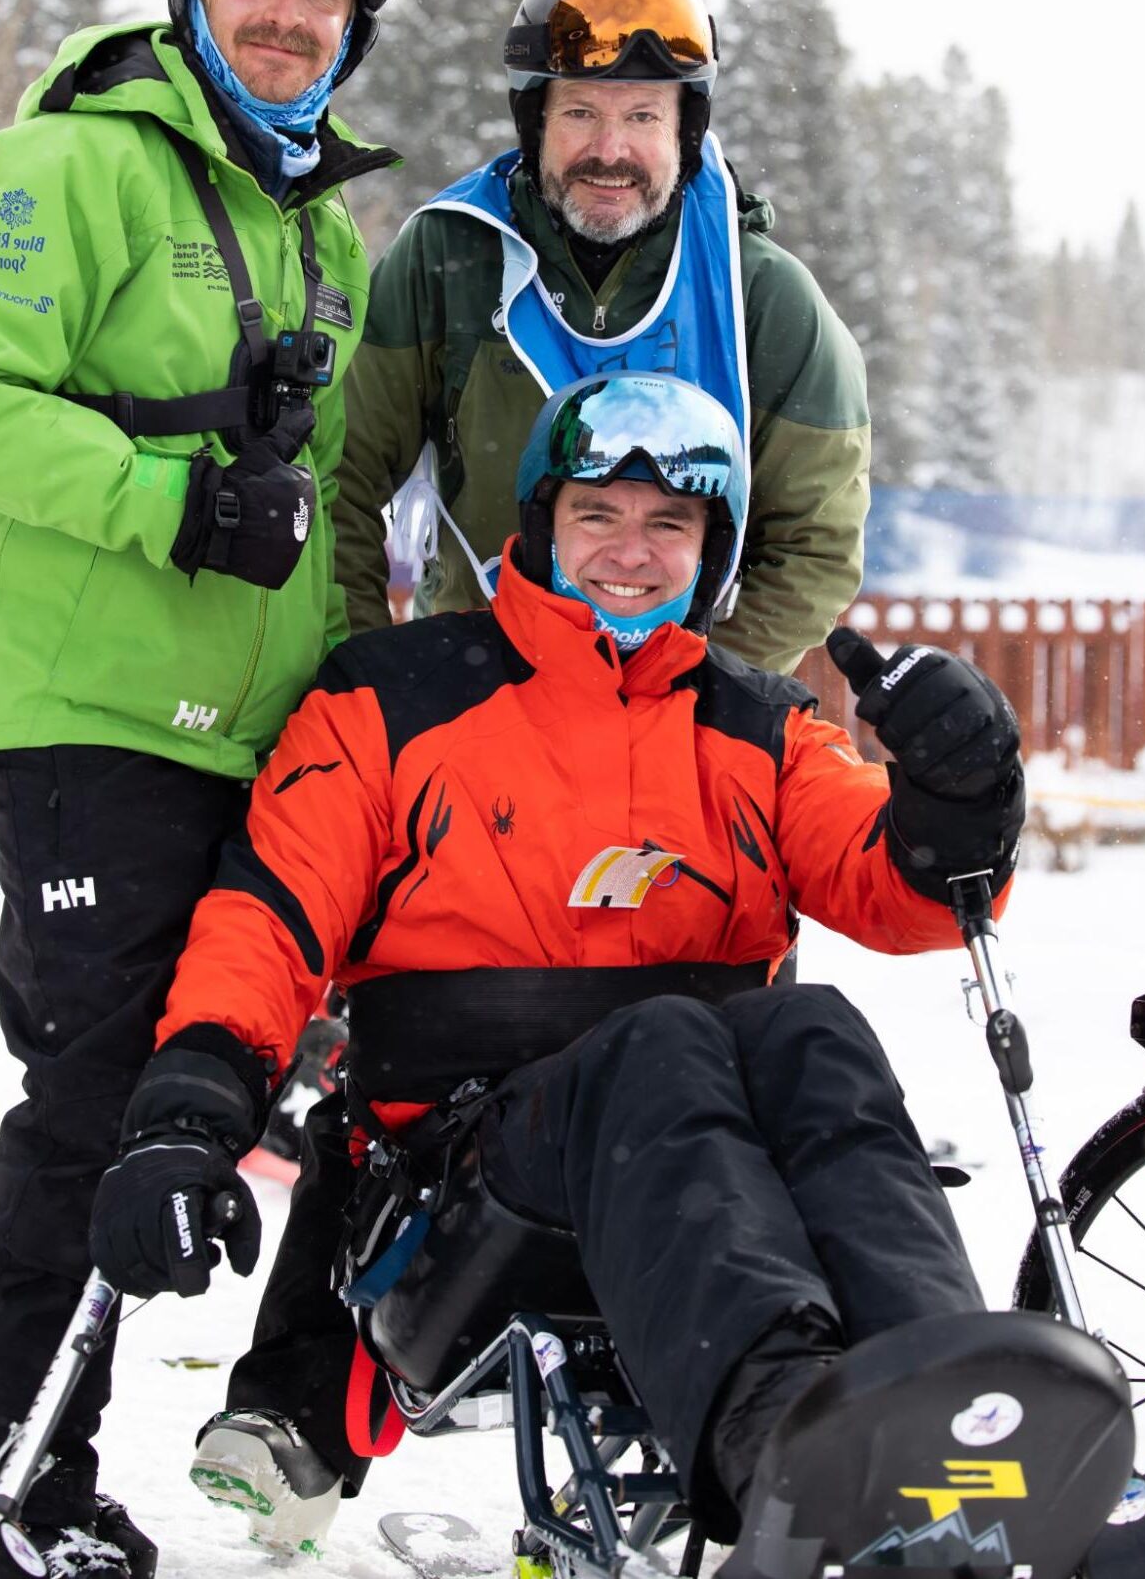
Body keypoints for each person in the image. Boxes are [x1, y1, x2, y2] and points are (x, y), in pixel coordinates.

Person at [88, 372, 1027, 1566]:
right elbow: (270, 916)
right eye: (600, 514)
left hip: (703, 1167)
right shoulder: (393, 699)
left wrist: (960, 792)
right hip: (460, 1196)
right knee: (663, 1043)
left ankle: (950, 1410)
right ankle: (785, 1432)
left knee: (814, 1034)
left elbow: (900, 890)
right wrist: (190, 1108)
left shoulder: (759, 725)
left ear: (712, 548)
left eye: (670, 523)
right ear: (538, 524)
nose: (629, 553)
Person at [0, 0, 408, 1579]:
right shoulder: (80, 160)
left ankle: (20, 1469)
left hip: (234, 742)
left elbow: (324, 515)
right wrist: (164, 497)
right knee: (97, 1103)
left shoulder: (317, 229)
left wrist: (358, 694)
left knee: (152, 1108)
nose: (284, 14)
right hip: (90, 721)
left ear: (348, 30)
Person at [333, 0, 871, 676]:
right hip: (471, 704)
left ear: (683, 131)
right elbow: (339, 473)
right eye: (581, 113)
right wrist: (366, 675)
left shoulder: (763, 298)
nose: (610, 152)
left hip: (669, 730)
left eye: (642, 116)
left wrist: (698, 702)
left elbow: (816, 543)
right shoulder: (450, 256)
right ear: (536, 122)